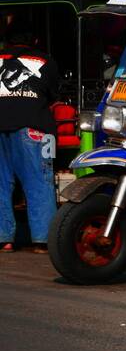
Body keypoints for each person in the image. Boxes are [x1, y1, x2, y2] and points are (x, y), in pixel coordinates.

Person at [0, 14, 59, 252]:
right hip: (33, 127)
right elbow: (53, 94)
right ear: (35, 40)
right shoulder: (45, 60)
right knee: (39, 183)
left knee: (1, 185)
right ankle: (43, 241)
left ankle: (4, 240)